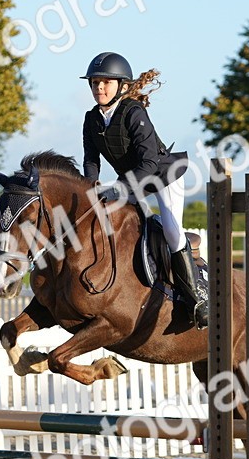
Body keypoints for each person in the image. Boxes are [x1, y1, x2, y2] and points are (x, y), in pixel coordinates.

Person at [80, 51, 208, 328]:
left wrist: (120, 188)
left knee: (173, 232)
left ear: (122, 86)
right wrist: (90, 188)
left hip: (163, 175)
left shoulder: (133, 112)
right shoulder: (91, 119)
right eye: (94, 83)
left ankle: (197, 297)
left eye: (105, 82)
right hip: (132, 181)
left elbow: (149, 162)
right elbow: (91, 160)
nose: (99, 88)